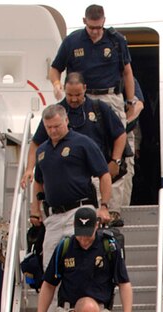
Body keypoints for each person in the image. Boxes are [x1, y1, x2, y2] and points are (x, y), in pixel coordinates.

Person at [50, 4, 137, 209]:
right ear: (84, 22)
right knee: (82, 145)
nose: (95, 31)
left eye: (98, 27)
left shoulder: (116, 41)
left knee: (117, 149)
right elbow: (55, 68)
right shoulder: (72, 41)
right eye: (91, 27)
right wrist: (56, 85)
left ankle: (114, 206)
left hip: (111, 96)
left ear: (104, 22)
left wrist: (131, 101)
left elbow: (127, 72)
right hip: (81, 98)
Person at [22, 72, 127, 204]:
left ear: (85, 88)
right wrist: (29, 169)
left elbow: (120, 134)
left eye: (78, 95)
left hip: (97, 171)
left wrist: (115, 160)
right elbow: (36, 143)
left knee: (103, 212)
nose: (73, 99)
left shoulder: (99, 107)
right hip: (71, 175)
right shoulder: (57, 113)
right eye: (69, 95)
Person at [31, 104, 113, 270]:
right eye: (49, 128)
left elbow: (104, 175)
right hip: (53, 216)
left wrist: (104, 206)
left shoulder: (83, 143)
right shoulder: (41, 151)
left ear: (66, 120)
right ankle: (57, 297)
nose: (53, 131)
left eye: (57, 126)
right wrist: (35, 210)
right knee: (50, 266)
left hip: (79, 211)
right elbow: (38, 181)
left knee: (80, 263)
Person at [36, 207, 134, 312]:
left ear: (96, 226)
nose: (83, 239)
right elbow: (48, 284)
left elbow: (124, 283)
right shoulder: (65, 246)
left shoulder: (109, 246)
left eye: (87, 234)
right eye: (80, 234)